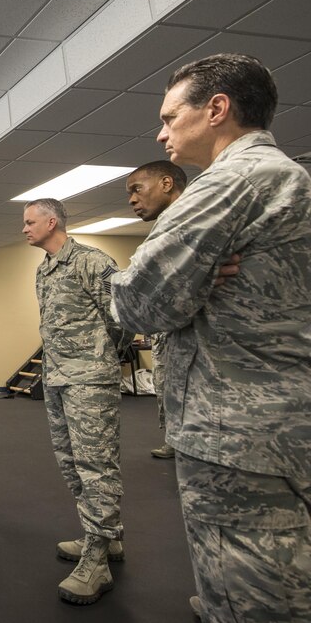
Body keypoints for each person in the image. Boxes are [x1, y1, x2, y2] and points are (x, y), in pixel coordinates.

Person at [109, 53, 310, 623]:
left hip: (237, 430)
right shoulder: (290, 176)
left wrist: (182, 279)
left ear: (217, 109)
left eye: (171, 117)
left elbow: (136, 302)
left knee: (250, 610)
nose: (161, 132)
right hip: (282, 421)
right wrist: (197, 273)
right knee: (285, 579)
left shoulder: (231, 181)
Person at [22, 198, 131, 605]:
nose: (24, 228)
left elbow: (122, 318)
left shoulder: (92, 262)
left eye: (30, 222)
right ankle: (103, 537)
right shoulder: (45, 268)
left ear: (52, 222)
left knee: (96, 466)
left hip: (90, 382)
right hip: (57, 378)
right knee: (71, 463)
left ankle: (97, 562)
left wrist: (100, 360)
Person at [124, 160, 187, 459]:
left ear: (166, 184)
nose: (132, 199)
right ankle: (174, 440)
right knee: (167, 390)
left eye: (137, 189)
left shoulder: (193, 219)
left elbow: (134, 296)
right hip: (171, 342)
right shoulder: (166, 228)